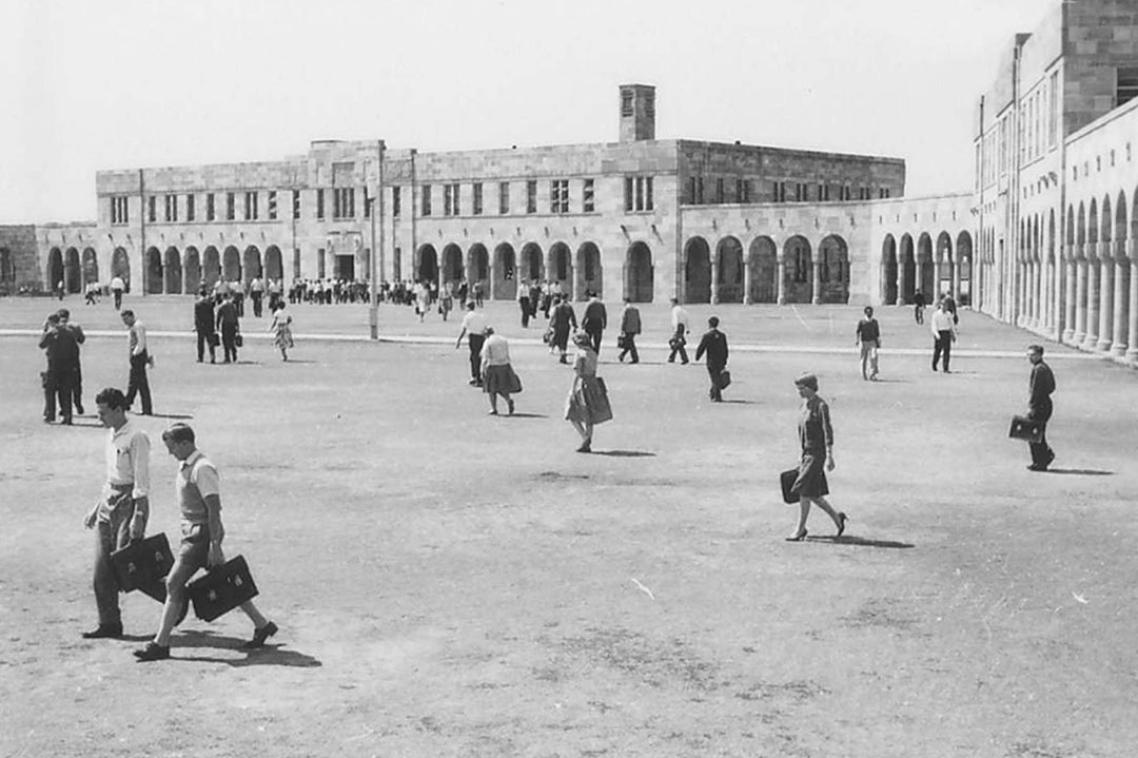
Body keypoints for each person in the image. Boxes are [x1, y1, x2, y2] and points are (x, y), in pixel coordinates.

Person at [134, 423, 278, 660]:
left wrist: (214, 544)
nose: (170, 453)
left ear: (185, 443)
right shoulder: (189, 466)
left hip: (199, 538)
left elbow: (213, 510)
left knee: (173, 584)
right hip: (194, 535)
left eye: (172, 447)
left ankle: (161, 643)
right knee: (226, 580)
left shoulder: (202, 469)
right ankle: (262, 625)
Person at [82, 388, 154, 639]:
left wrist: (139, 516)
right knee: (102, 569)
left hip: (128, 503)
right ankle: (109, 623)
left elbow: (141, 480)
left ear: (118, 410)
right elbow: (110, 476)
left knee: (127, 566)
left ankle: (174, 597)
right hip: (108, 502)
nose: (99, 418)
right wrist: (96, 507)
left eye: (103, 413)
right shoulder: (110, 435)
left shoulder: (137, 437)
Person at [786, 373, 848, 542]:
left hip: (817, 454)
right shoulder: (803, 405)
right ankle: (837, 518)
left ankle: (800, 529)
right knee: (813, 494)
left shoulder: (821, 406)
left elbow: (827, 430)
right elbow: (802, 432)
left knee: (803, 490)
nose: (799, 392)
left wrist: (829, 456)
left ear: (810, 388)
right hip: (807, 454)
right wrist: (801, 454)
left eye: (801, 389)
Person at [564, 332, 607, 453]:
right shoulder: (593, 353)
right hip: (593, 383)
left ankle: (585, 438)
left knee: (572, 412)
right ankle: (587, 439)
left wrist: (572, 389)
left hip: (582, 384)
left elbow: (577, 373)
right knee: (590, 416)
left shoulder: (579, 354)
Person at [39, 313, 80, 424]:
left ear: (51, 322)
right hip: (67, 366)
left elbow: (41, 344)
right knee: (65, 392)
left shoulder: (51, 333)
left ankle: (50, 414)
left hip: (53, 366)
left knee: (50, 391)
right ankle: (67, 416)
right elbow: (75, 350)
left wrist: (45, 330)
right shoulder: (69, 332)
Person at [1025, 345, 1057, 471]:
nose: (1030, 358)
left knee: (1033, 434)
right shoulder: (1044, 368)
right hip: (1045, 403)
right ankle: (1042, 459)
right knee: (1038, 434)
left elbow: (1035, 391)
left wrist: (1031, 407)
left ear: (1039, 355)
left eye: (1032, 355)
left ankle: (1042, 459)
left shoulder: (1039, 370)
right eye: (1029, 355)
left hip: (1040, 405)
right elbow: (1052, 387)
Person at [479, 327, 517, 416]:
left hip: (493, 366)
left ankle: (494, 408)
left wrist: (482, 369)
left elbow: (485, 357)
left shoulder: (488, 342)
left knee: (491, 389)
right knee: (503, 387)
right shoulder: (503, 340)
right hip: (505, 365)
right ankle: (508, 400)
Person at [121, 310, 153, 415]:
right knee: (133, 383)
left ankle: (147, 408)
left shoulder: (138, 326)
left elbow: (141, 343)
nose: (125, 322)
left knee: (141, 384)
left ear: (131, 316)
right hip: (136, 357)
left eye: (126, 319)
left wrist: (135, 354)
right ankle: (126, 403)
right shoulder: (133, 327)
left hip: (138, 357)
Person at [58, 308, 86, 413]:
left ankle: (63, 407)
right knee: (76, 383)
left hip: (59, 359)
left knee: (61, 384)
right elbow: (81, 340)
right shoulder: (75, 326)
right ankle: (77, 403)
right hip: (73, 358)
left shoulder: (55, 326)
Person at [695, 316, 729, 402]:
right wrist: (725, 360)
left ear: (709, 324)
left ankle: (715, 396)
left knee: (714, 378)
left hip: (711, 361)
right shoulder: (722, 336)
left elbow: (702, 347)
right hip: (720, 361)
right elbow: (725, 349)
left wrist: (697, 357)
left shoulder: (707, 336)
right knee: (716, 378)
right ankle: (714, 394)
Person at [455, 301, 488, 386]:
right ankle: (477, 376)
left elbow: (464, 329)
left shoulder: (468, 317)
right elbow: (485, 328)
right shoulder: (480, 316)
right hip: (481, 337)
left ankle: (476, 377)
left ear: (468, 307)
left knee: (474, 357)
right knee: (478, 357)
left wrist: (459, 340)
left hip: (473, 337)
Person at [549, 295, 578, 364]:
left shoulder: (557, 307)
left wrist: (552, 325)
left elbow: (554, 317)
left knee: (558, 340)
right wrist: (575, 326)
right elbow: (572, 317)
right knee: (564, 341)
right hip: (566, 325)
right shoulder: (569, 307)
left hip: (558, 326)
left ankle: (561, 354)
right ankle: (563, 354)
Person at [930, 299, 957, 373]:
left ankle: (946, 368)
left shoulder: (948, 314)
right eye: (943, 305)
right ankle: (934, 364)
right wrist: (936, 334)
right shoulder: (936, 314)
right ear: (940, 306)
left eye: (946, 306)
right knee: (938, 351)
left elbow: (951, 325)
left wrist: (953, 335)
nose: (945, 307)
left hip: (946, 333)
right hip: (939, 332)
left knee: (947, 351)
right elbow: (934, 325)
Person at [855, 306, 881, 381]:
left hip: (872, 341)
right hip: (864, 342)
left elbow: (877, 333)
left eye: (870, 312)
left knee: (874, 357)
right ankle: (863, 374)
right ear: (865, 313)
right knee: (863, 359)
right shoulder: (862, 322)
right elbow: (858, 331)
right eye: (868, 312)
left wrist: (878, 342)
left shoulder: (874, 322)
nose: (869, 313)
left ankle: (872, 374)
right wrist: (857, 340)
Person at [194, 288, 218, 364]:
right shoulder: (209, 303)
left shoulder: (197, 304)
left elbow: (196, 317)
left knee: (200, 342)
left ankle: (200, 357)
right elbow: (212, 315)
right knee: (211, 342)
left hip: (201, 325)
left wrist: (196, 326)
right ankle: (212, 357)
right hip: (209, 325)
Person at [216, 293, 241, 364]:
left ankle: (227, 357)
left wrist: (217, 326)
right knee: (232, 340)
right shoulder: (232, 306)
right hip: (232, 325)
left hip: (225, 325)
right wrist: (237, 326)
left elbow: (218, 317)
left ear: (222, 297)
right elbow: (236, 317)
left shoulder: (221, 306)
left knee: (225, 341)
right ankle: (234, 355)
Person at [618, 298, 642, 364]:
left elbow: (624, 319)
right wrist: (639, 328)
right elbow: (638, 319)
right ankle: (622, 355)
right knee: (630, 343)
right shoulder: (636, 309)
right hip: (634, 329)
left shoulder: (626, 309)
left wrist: (622, 329)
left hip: (628, 329)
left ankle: (635, 358)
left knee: (631, 344)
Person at [668, 298, 690, 364]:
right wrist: (687, 328)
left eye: (671, 303)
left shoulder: (675, 310)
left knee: (674, 342)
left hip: (678, 327)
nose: (670, 305)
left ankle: (684, 359)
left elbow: (676, 319)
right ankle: (672, 358)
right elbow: (686, 319)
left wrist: (675, 329)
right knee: (678, 343)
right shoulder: (682, 310)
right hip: (682, 327)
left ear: (674, 303)